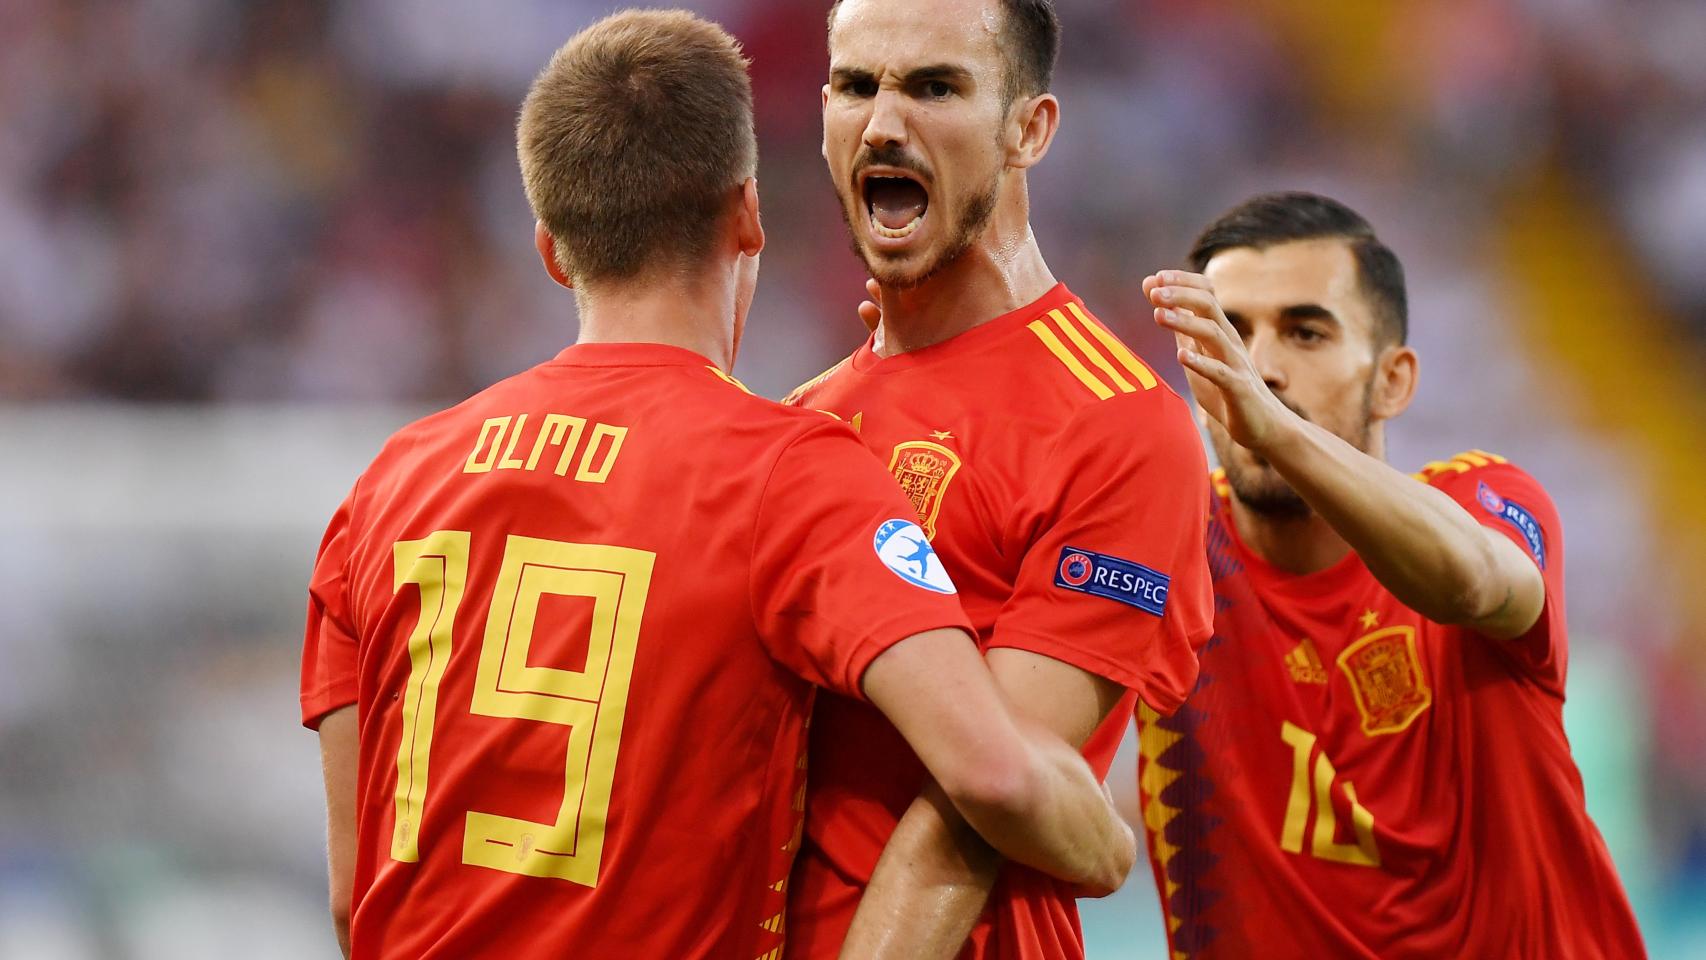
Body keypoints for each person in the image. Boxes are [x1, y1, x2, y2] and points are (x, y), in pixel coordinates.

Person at [299, 10, 1136, 960]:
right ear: (747, 214)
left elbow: (349, 894)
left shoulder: (386, 488)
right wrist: (1101, 842)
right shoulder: (786, 471)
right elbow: (994, 774)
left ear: (550, 246)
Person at [781, 1, 1214, 956]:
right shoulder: (804, 416)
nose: (885, 123)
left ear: (1029, 129)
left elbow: (978, 806)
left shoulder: (1114, 425)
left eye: (936, 87)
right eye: (856, 86)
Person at [1135, 191, 1647, 958]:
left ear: (1394, 381)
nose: (1258, 369)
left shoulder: (1484, 500)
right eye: (1229, 333)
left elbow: (1476, 582)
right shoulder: (1160, 548)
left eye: (1305, 333)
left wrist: (1276, 432)